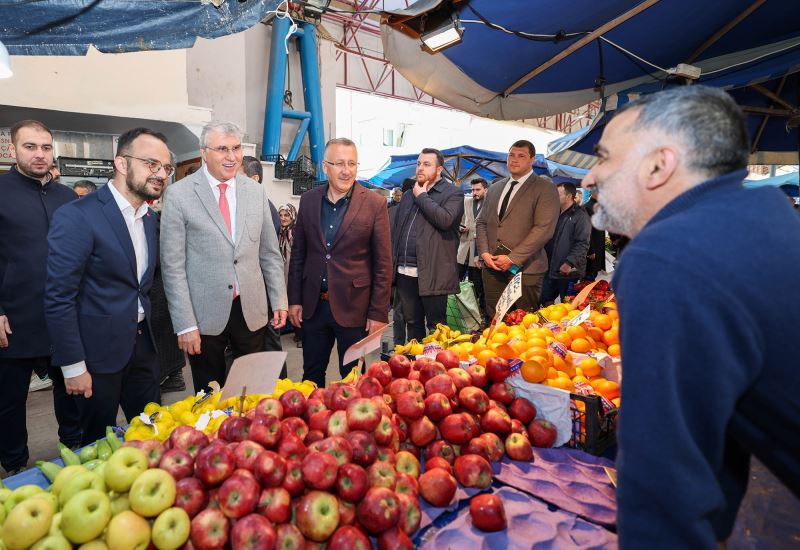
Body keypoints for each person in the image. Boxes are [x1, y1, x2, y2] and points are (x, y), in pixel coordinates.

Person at [581, 85, 800, 548]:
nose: (588, 177)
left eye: (602, 157)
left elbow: (663, 478)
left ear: (659, 165)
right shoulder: (760, 216)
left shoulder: (669, 255)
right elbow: (720, 437)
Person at [46, 128, 168, 444]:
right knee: (96, 444)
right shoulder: (78, 216)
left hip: (143, 349)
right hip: (95, 355)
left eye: (166, 168)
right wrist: (72, 365)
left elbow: (141, 286)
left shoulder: (149, 218)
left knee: (152, 435)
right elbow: (59, 297)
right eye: (152, 164)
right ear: (122, 163)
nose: (161, 174)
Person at [160, 122, 288, 393]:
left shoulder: (255, 192)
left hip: (251, 311)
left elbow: (269, 253)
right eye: (222, 149)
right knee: (209, 396)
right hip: (203, 316)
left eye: (236, 148)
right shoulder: (179, 195)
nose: (231, 156)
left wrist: (279, 300)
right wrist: (185, 324)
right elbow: (173, 267)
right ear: (203, 152)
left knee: (254, 390)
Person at [0, 120, 80, 475]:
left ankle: (75, 451)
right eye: (30, 146)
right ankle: (15, 466)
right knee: (9, 402)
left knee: (71, 392)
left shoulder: (68, 198)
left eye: (46, 147)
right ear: (11, 150)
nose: (39, 154)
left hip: (65, 318)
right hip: (15, 317)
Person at [288, 138, 392, 387]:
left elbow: (383, 263)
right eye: (339, 164)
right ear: (325, 166)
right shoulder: (309, 201)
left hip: (356, 308)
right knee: (311, 377)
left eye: (352, 164)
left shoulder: (375, 204)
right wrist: (294, 300)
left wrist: (378, 313)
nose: (346, 170)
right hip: (313, 307)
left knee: (354, 380)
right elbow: (299, 254)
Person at [475, 140, 559, 317]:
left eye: (521, 156)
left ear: (532, 160)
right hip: (492, 267)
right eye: (511, 155)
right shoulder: (496, 187)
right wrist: (483, 253)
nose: (514, 160)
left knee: (524, 324)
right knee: (495, 320)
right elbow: (482, 222)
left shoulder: (544, 188)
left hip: (526, 269)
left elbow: (544, 228)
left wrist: (513, 258)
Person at [392, 148, 464, 340]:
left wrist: (422, 196)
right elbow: (397, 229)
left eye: (426, 164)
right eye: (418, 164)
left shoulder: (453, 193)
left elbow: (445, 220)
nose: (420, 168)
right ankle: (415, 366)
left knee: (436, 328)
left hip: (434, 272)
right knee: (412, 324)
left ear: (439, 170)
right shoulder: (408, 195)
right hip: (405, 272)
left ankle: (437, 367)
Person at [240, 155, 284, 358]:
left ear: (255, 179)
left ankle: (278, 386)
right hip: (251, 290)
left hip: (262, 289)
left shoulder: (266, 208)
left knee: (270, 346)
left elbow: (268, 256)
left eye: (239, 177)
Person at [540, 181, 591, 305]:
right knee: (545, 300)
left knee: (569, 305)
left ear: (568, 196)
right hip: (550, 268)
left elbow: (582, 243)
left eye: (558, 195)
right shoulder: (555, 212)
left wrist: (569, 262)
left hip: (567, 271)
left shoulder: (580, 215)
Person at [457, 177, 488, 318]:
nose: (474, 192)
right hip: (463, 249)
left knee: (477, 285)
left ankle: (476, 312)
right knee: (456, 281)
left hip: (478, 251)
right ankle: (456, 308)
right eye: (472, 189)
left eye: (477, 189)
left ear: (485, 189)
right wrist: (460, 227)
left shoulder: (490, 204)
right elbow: (459, 221)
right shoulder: (466, 201)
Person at [277, 204, 303, 348]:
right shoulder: (281, 232)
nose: (283, 218)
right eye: (280, 215)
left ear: (292, 215)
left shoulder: (296, 233)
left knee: (296, 301)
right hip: (283, 273)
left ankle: (301, 336)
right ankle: (297, 333)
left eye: (286, 215)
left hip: (293, 273)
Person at [582, 195, 606, 280]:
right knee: (588, 279)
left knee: (592, 276)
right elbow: (585, 232)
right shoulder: (587, 207)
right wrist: (590, 250)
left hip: (598, 249)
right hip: (592, 251)